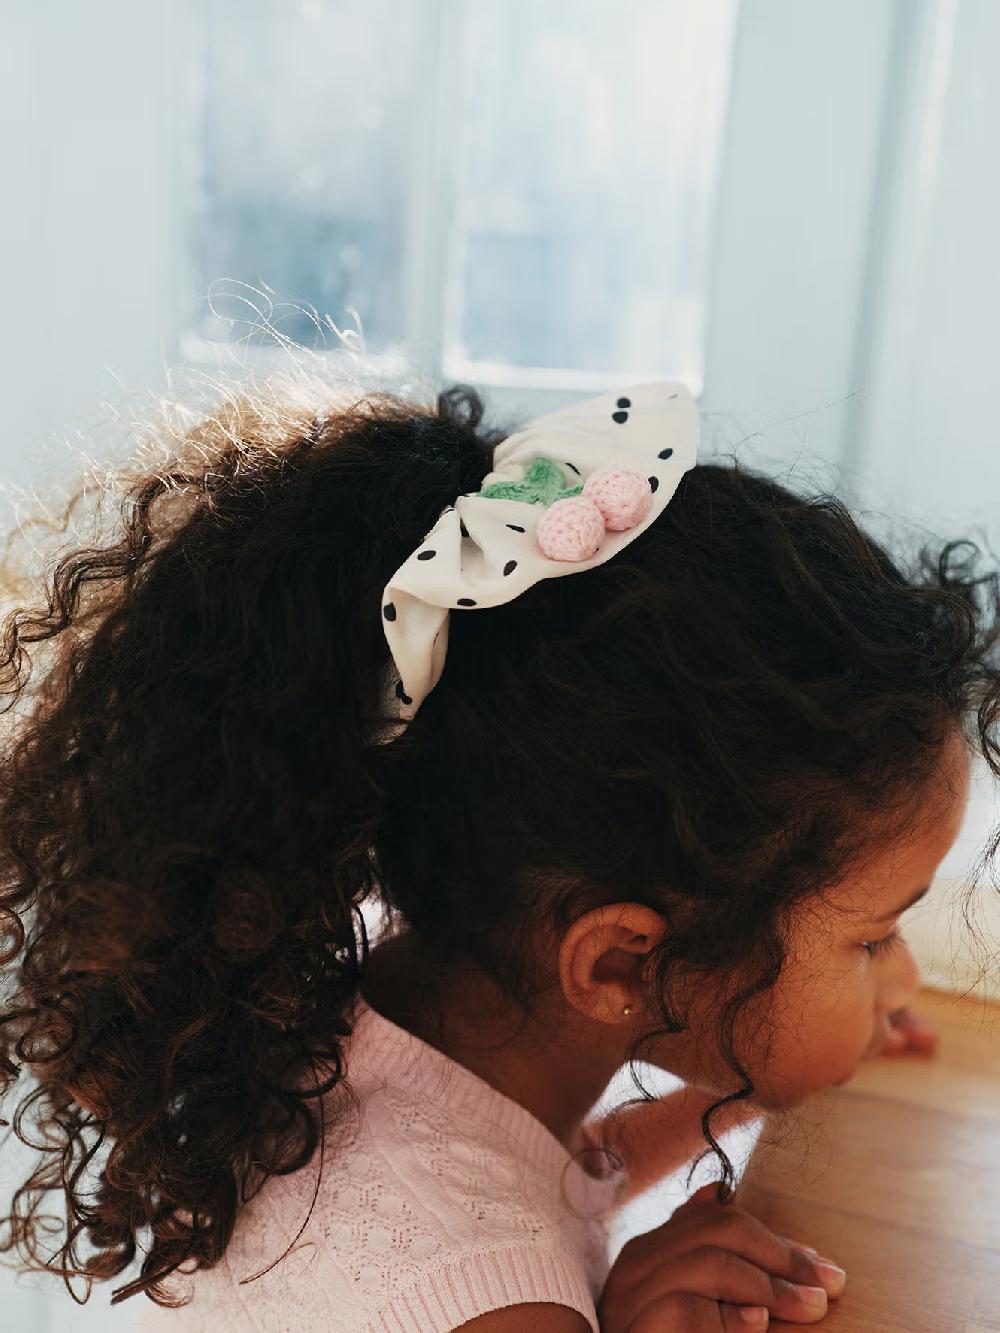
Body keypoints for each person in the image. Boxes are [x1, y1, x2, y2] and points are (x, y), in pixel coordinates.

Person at [0, 372, 994, 1333]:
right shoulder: (503, 1309)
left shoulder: (385, 998)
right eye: (873, 938)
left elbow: (533, 1175)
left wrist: (730, 1083)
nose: (900, 973)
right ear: (619, 961)